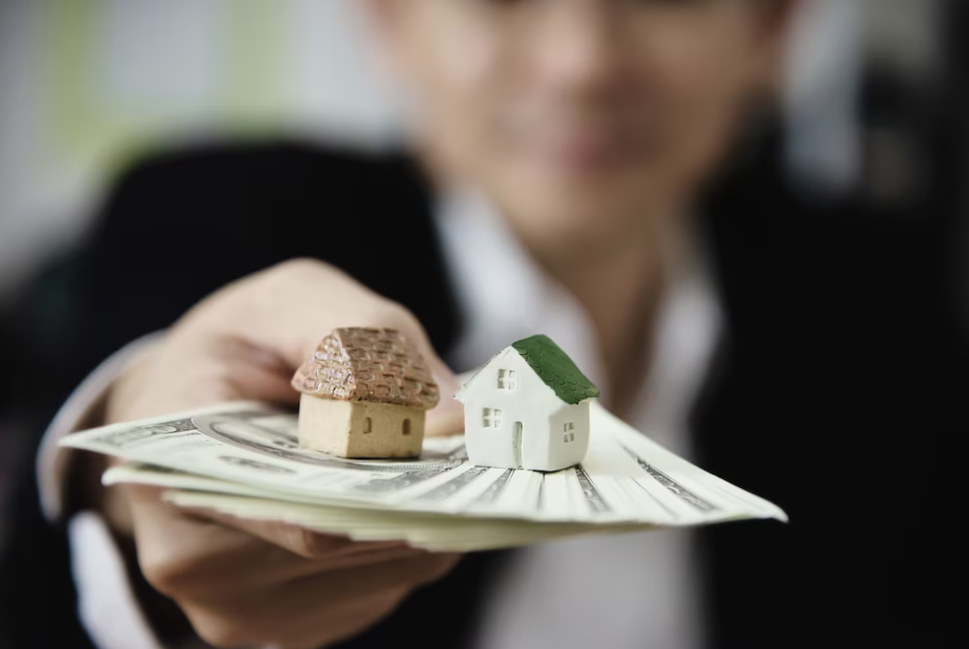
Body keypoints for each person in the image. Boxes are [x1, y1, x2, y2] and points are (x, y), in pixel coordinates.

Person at [1, 0, 965, 647]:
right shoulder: (219, 209)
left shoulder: (876, 287)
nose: (582, 62)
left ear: (769, 33)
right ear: (390, 22)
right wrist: (147, 471)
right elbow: (127, 399)